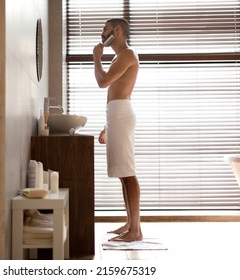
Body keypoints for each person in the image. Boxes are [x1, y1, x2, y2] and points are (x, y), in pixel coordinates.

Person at [93, 18, 143, 242]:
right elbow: (115, 92)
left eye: (105, 29)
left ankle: (136, 230)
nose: (102, 34)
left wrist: (96, 58)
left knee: (128, 173)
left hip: (121, 115)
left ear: (117, 30)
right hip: (116, 115)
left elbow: (103, 82)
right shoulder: (118, 57)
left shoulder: (128, 55)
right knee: (123, 175)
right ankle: (130, 224)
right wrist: (106, 126)